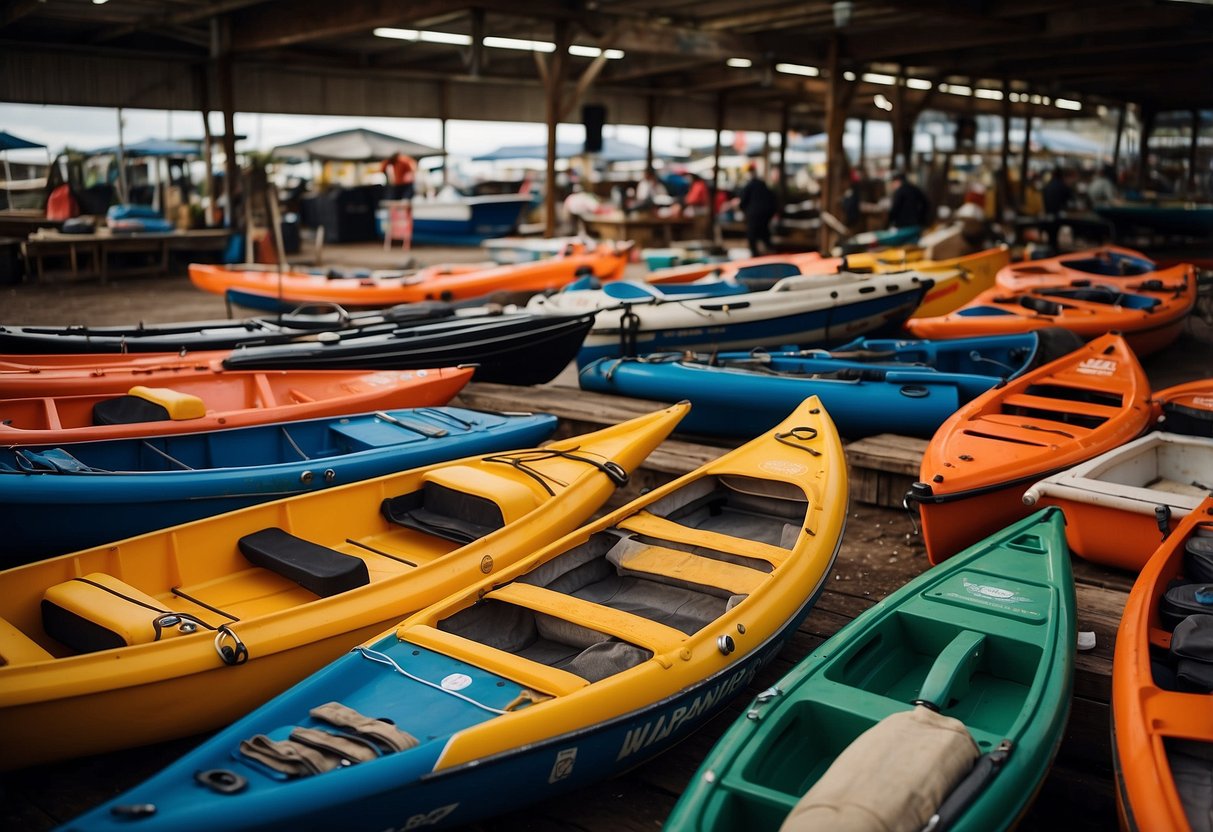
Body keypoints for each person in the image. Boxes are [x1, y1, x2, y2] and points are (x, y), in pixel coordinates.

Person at [738, 164, 778, 257]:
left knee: (752, 235)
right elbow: (772, 198)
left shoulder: (749, 185)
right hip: (765, 213)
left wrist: (744, 211)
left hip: (755, 214)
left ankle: (756, 256)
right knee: (764, 233)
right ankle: (770, 252)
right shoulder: (762, 184)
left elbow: (742, 201)